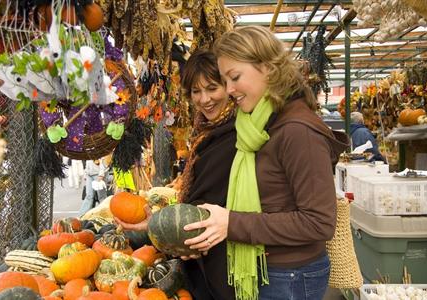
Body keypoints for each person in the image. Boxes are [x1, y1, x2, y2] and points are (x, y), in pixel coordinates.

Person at [182, 26, 349, 300]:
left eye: (234, 77)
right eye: (225, 80)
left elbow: (319, 222)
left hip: (291, 277)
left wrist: (232, 223)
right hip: (268, 269)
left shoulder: (297, 130)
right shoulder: (258, 123)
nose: (230, 90)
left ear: (268, 69)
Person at [114, 49, 237, 300]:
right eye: (196, 91)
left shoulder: (234, 136)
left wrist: (170, 231)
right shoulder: (207, 131)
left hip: (223, 265)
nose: (205, 99)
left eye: (212, 88)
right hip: (203, 255)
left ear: (229, 86)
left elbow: (207, 208)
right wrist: (157, 224)